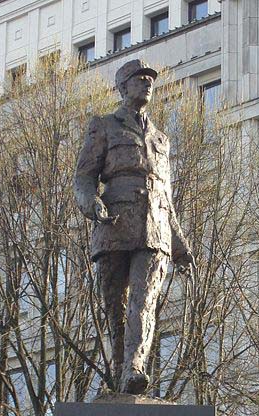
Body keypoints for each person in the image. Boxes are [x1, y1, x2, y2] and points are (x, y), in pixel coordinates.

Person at [74, 59, 194, 395]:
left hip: (155, 228)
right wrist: (91, 203)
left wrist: (180, 244)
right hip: (114, 224)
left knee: (145, 302)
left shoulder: (161, 139)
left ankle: (135, 367)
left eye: (150, 79)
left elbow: (166, 195)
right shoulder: (104, 125)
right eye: (140, 79)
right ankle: (120, 372)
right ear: (123, 86)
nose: (147, 83)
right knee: (117, 307)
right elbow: (84, 176)